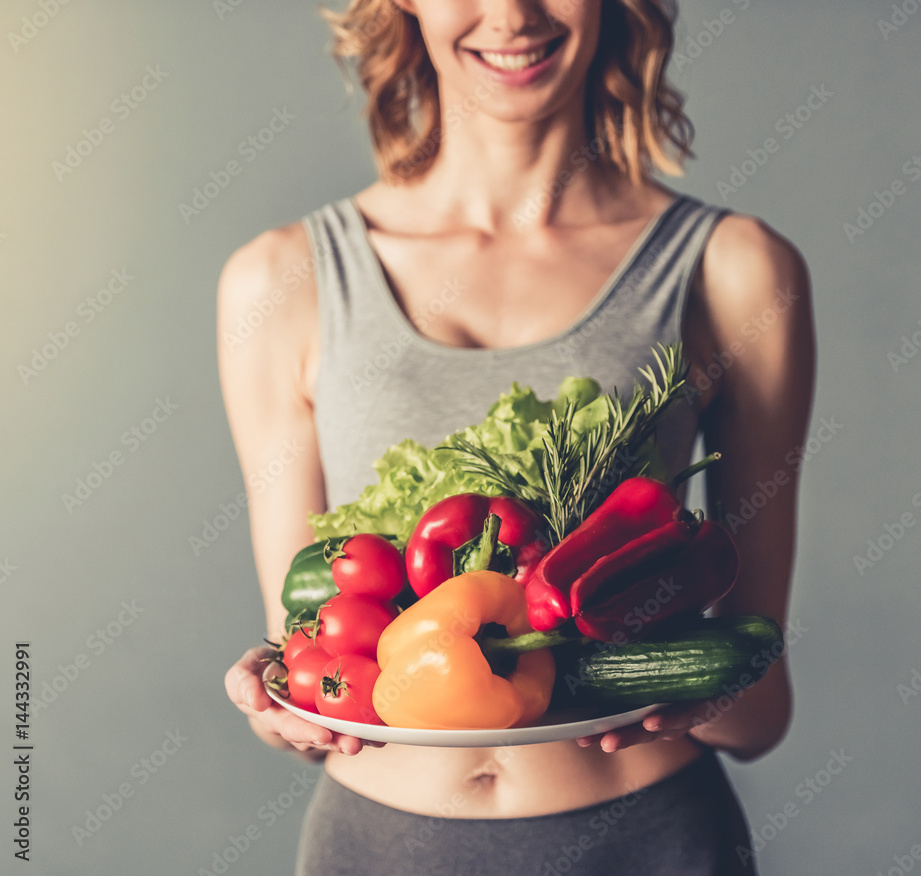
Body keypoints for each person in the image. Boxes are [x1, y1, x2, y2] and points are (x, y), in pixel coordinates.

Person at [221, 1, 815, 873]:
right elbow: (307, 670)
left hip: (650, 843)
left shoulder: (737, 268)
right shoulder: (279, 282)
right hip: (381, 848)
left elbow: (762, 709)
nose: (512, 13)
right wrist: (273, 695)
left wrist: (699, 687)